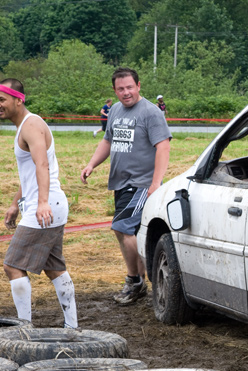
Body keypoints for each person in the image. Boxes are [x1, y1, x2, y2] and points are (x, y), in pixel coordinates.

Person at [80, 68, 171, 305]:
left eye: (130, 87)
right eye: (120, 89)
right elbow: (108, 140)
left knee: (122, 227)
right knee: (127, 231)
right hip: (120, 182)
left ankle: (135, 281)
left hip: (141, 182)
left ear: (139, 86)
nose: (125, 92)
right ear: (114, 90)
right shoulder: (115, 111)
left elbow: (163, 147)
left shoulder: (151, 113)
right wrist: (91, 164)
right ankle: (140, 278)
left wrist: (155, 183)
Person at [0, 79, 78, 328]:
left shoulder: (31, 124)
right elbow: (32, 171)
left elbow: (42, 165)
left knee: (12, 265)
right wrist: (15, 204)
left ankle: (24, 329)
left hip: (45, 207)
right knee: (55, 268)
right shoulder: (25, 125)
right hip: (45, 205)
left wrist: (42, 203)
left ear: (18, 99)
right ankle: (72, 327)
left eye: (2, 100)